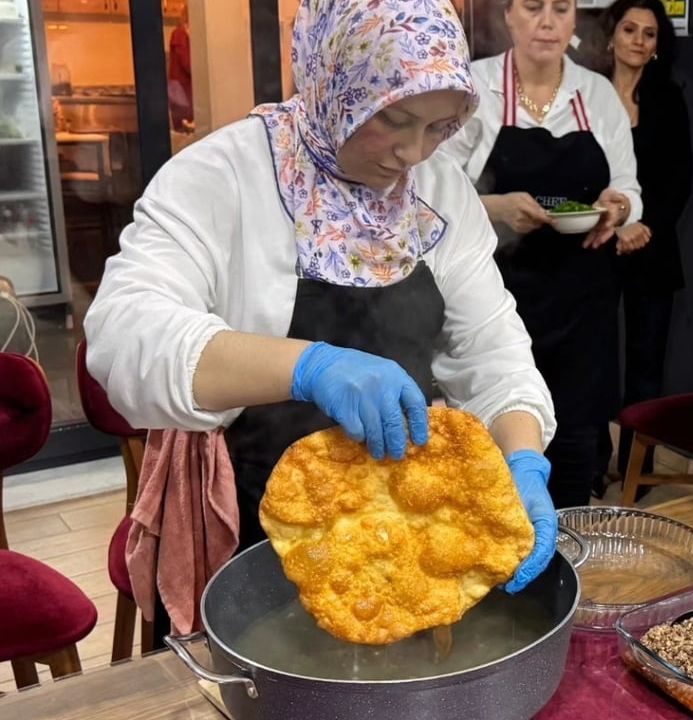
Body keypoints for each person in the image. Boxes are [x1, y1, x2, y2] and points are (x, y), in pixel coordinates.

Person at [85, 0, 557, 593]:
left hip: (392, 519)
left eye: (439, 128)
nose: (413, 155)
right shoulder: (223, 175)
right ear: (335, 81)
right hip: (248, 511)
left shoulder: (440, 193)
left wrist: (521, 459)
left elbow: (492, 349)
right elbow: (123, 336)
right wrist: (309, 366)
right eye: (394, 119)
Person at [440, 0, 643, 508]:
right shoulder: (472, 89)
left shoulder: (595, 93)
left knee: (576, 434)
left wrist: (618, 208)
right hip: (496, 290)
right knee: (490, 431)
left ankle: (569, 548)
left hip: (583, 297)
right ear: (508, 15)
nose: (547, 21)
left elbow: (628, 187)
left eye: (561, 9)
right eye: (533, 7)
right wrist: (495, 206)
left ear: (575, 20)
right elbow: (430, 192)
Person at [597, 0, 691, 492]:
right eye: (630, 29)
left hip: (652, 250)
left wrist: (642, 225)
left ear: (658, 46)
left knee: (645, 366)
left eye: (650, 33)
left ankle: (638, 472)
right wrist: (611, 226)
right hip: (593, 246)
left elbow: (679, 180)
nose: (639, 40)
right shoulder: (583, 94)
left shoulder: (668, 99)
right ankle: (591, 460)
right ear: (611, 36)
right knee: (590, 359)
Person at [167, 6, 193, 132]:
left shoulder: (180, 34)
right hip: (181, 90)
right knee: (184, 129)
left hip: (182, 90)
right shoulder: (179, 34)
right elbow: (187, 63)